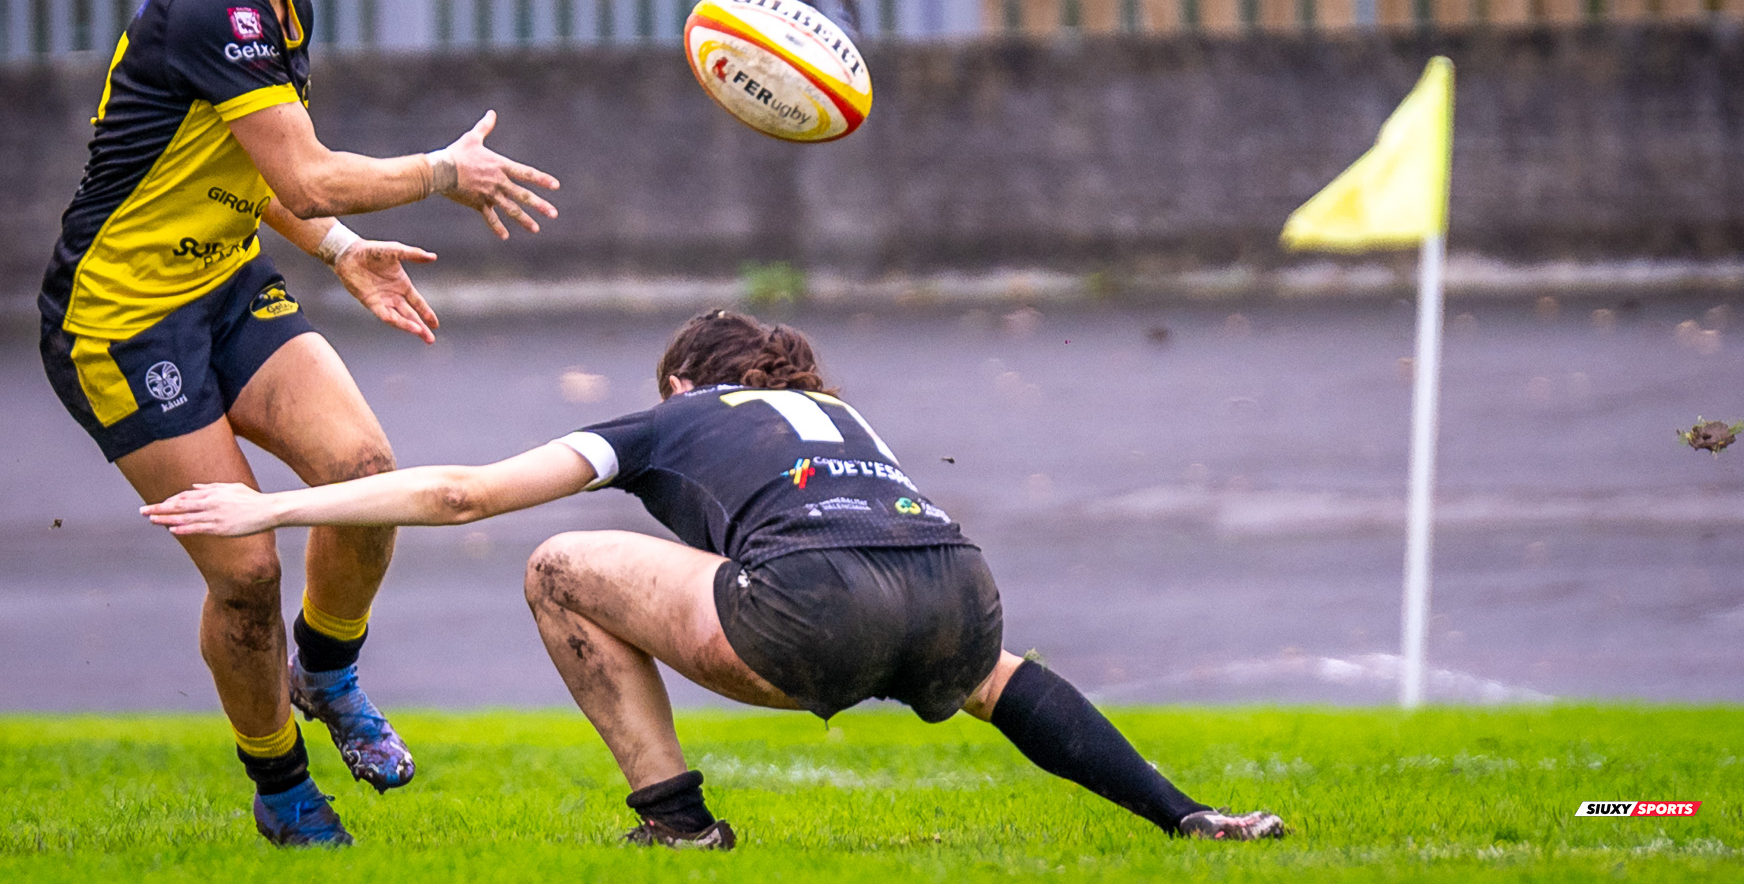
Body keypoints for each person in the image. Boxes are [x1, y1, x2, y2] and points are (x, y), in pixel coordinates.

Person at [142, 310, 1287, 848]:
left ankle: (676, 822)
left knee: (555, 564)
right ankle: (1184, 815)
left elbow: (463, 494)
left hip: (809, 612)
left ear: (685, 377)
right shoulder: (842, 412)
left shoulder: (669, 416)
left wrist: (277, 503)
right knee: (991, 677)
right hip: (959, 582)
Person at [39, 0, 561, 848]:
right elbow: (313, 172)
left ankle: (325, 671)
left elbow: (265, 171)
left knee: (363, 473)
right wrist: (440, 172)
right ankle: (281, 788)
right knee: (245, 568)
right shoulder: (210, 8)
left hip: (225, 283)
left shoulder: (282, 5)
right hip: (124, 319)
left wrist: (336, 249)